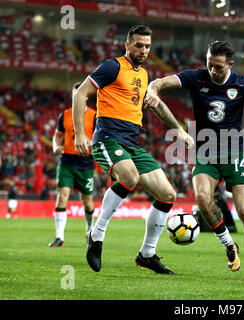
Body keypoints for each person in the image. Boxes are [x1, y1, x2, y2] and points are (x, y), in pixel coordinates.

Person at [146, 41, 244, 280]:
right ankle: (228, 245)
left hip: (234, 153)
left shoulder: (243, 83)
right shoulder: (196, 77)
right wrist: (153, 91)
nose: (212, 71)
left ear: (230, 64)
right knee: (203, 201)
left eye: (218, 67)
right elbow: (160, 82)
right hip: (205, 154)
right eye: (209, 64)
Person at [73, 25, 194, 273]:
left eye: (147, 46)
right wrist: (80, 134)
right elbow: (80, 95)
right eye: (138, 45)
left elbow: (157, 105)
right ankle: (96, 235)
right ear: (127, 45)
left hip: (131, 143)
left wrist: (179, 129)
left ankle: (146, 254)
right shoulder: (112, 67)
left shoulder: (145, 75)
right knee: (129, 177)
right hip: (107, 138)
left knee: (167, 195)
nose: (144, 50)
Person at [48, 82, 96, 247]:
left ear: (86, 96)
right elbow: (57, 136)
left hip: (86, 161)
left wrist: (88, 143)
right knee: (62, 196)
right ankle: (59, 237)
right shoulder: (65, 115)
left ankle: (90, 230)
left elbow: (100, 138)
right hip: (67, 160)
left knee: (87, 201)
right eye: (74, 96)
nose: (77, 98)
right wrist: (55, 146)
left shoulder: (94, 116)